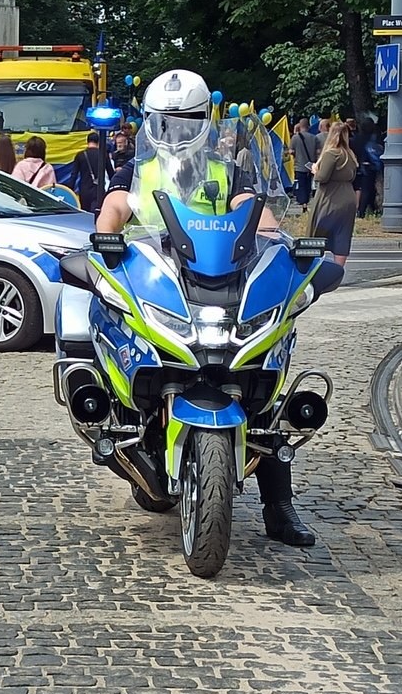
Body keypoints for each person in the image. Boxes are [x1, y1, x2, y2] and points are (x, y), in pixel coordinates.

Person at [92, 68, 338, 548]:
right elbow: (116, 208)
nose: (175, 132)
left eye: (186, 121)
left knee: (263, 379)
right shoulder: (136, 169)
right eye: (166, 122)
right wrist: (104, 239)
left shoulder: (226, 170)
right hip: (163, 283)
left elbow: (256, 210)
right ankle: (126, 431)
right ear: (149, 122)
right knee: (116, 336)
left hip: (224, 281)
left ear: (205, 120)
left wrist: (277, 243)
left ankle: (279, 505)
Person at [307, 121, 358, 267]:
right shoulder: (350, 154)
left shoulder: (331, 153)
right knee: (343, 234)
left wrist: (315, 170)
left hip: (330, 198)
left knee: (318, 232)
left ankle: (312, 269)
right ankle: (338, 270)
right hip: (348, 197)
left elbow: (322, 177)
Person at [72, 131, 108, 214]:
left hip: (84, 190)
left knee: (85, 214)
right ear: (98, 142)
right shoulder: (103, 154)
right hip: (99, 190)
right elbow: (111, 173)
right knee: (97, 213)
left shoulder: (80, 155)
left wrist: (70, 190)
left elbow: (73, 175)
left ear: (87, 142)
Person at [290, 120, 319, 213]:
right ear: (308, 126)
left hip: (299, 165)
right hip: (310, 166)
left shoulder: (295, 138)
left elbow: (291, 151)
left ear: (299, 126)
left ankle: (303, 203)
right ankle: (307, 200)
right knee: (308, 185)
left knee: (301, 185)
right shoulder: (314, 138)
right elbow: (317, 152)